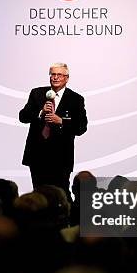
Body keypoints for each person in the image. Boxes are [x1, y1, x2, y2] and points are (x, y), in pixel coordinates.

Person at [19, 62, 87, 199]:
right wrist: (40, 112)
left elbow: (81, 127)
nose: (55, 78)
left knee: (60, 194)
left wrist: (61, 121)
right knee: (39, 195)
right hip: (37, 155)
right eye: (53, 74)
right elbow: (23, 116)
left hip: (61, 157)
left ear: (67, 78)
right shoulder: (37, 93)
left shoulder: (76, 99)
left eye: (59, 75)